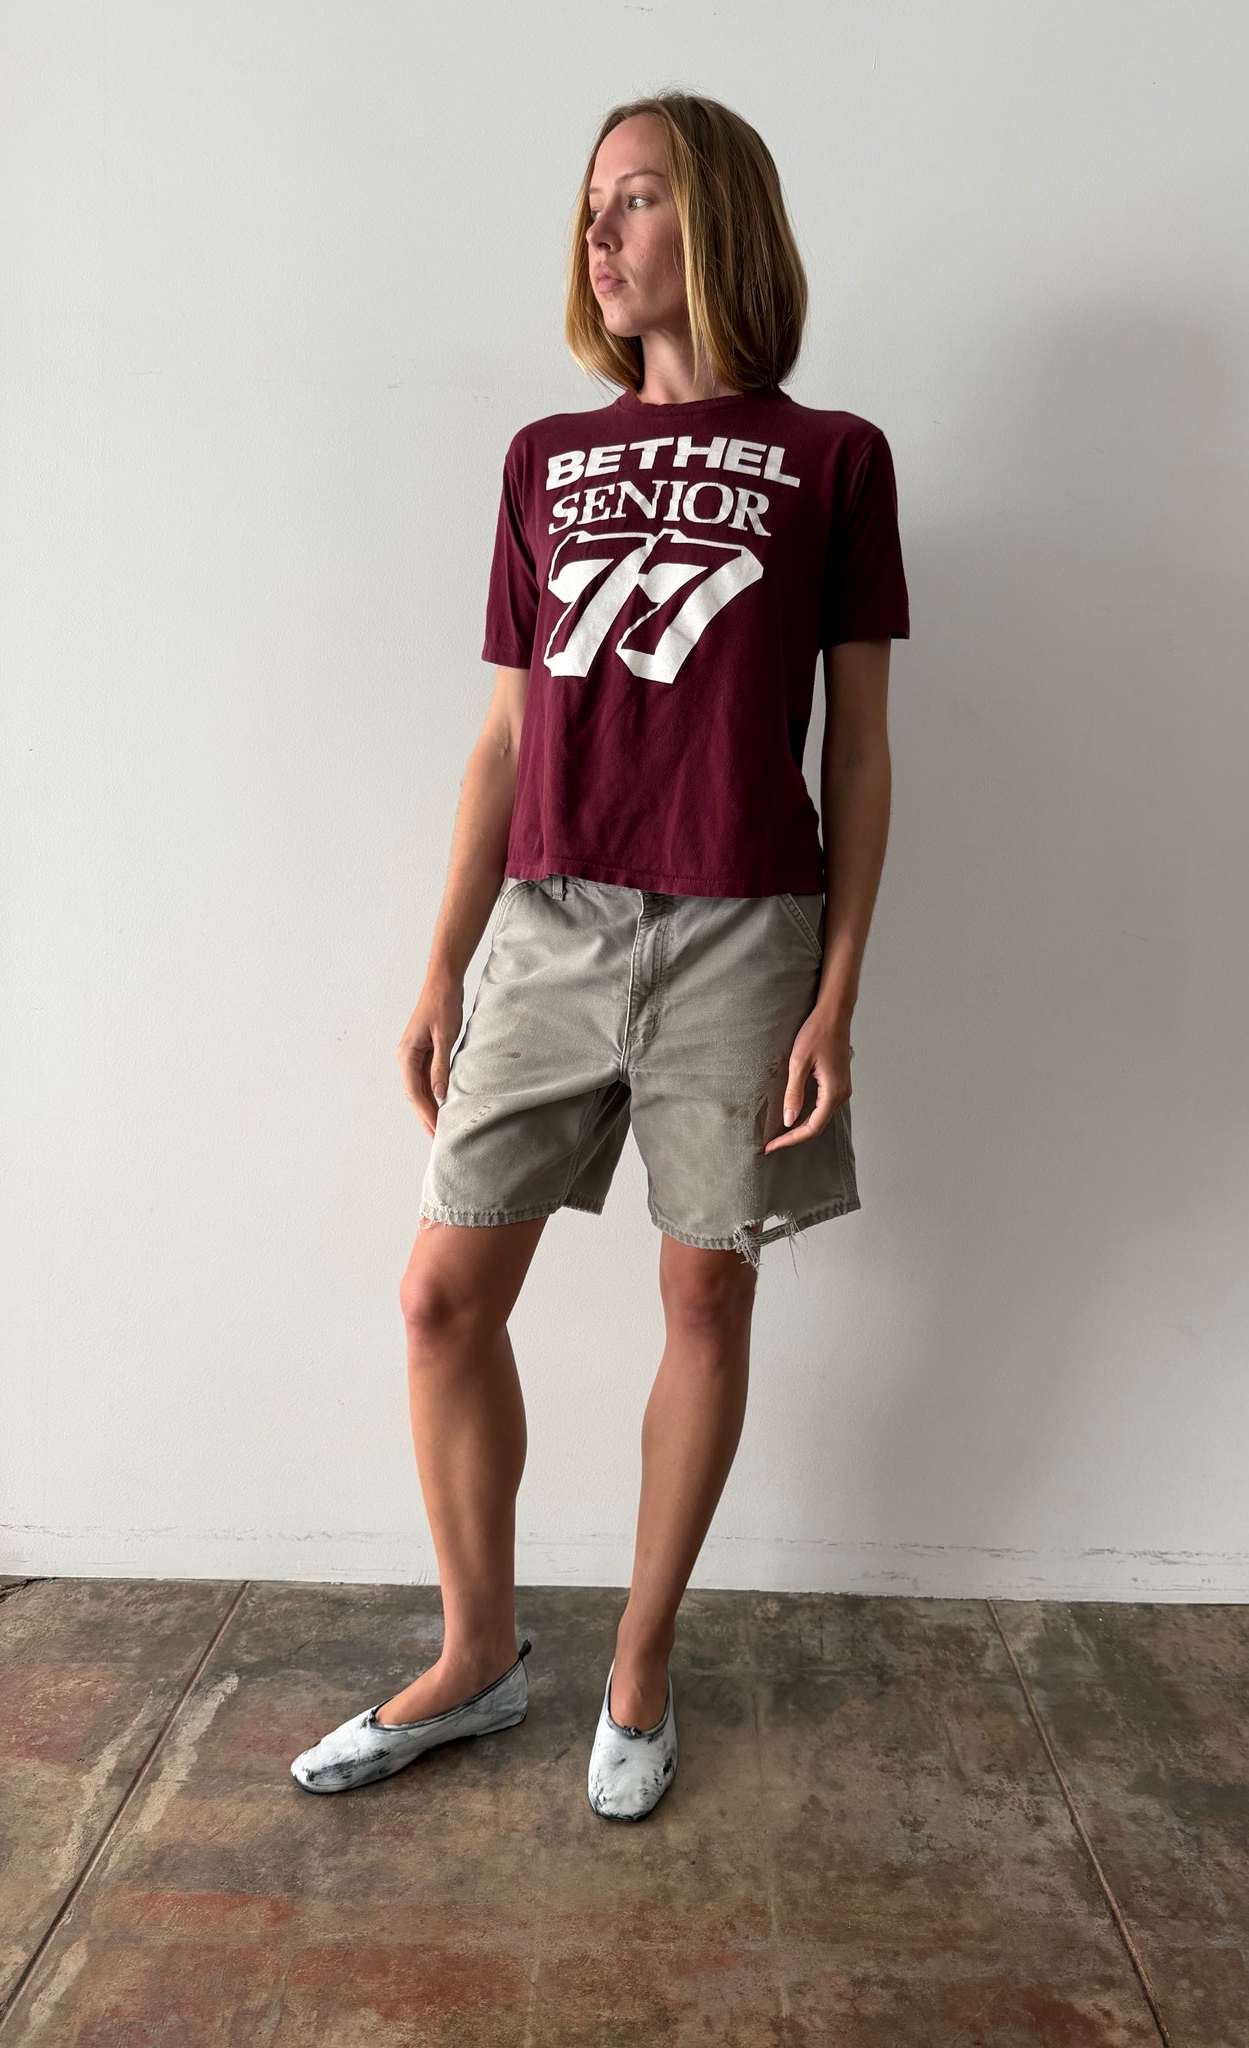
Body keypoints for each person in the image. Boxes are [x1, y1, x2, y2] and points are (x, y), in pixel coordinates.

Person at [289, 90, 910, 1818]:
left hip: (744, 929)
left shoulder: (836, 457)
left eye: (634, 199)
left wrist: (840, 989)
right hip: (552, 925)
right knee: (439, 1297)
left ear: (715, 219)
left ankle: (639, 1665)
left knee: (703, 1290)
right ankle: (477, 1655)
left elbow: (859, 750)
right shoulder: (542, 460)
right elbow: (505, 738)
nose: (599, 232)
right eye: (590, 206)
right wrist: (444, 963)